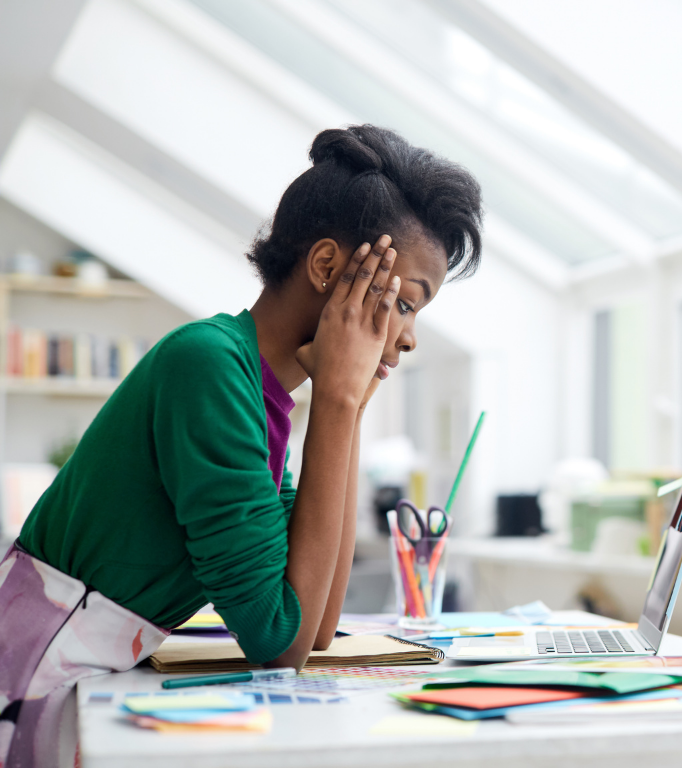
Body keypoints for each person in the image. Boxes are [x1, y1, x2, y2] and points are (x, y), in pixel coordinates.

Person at [0, 125, 482, 766]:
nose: (410, 337)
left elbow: (313, 620)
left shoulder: (256, 393)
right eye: (404, 304)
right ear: (328, 268)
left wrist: (351, 410)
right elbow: (277, 641)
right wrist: (337, 403)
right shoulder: (207, 365)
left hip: (81, 669)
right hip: (35, 677)